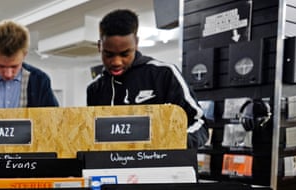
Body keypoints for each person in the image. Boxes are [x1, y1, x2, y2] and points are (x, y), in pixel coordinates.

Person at [86, 9, 208, 149]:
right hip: (111, 169)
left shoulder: (164, 74)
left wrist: (170, 143)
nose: (116, 62)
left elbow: (200, 124)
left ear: (136, 44)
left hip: (157, 166)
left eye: (125, 54)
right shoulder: (95, 89)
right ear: (99, 46)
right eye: (109, 54)